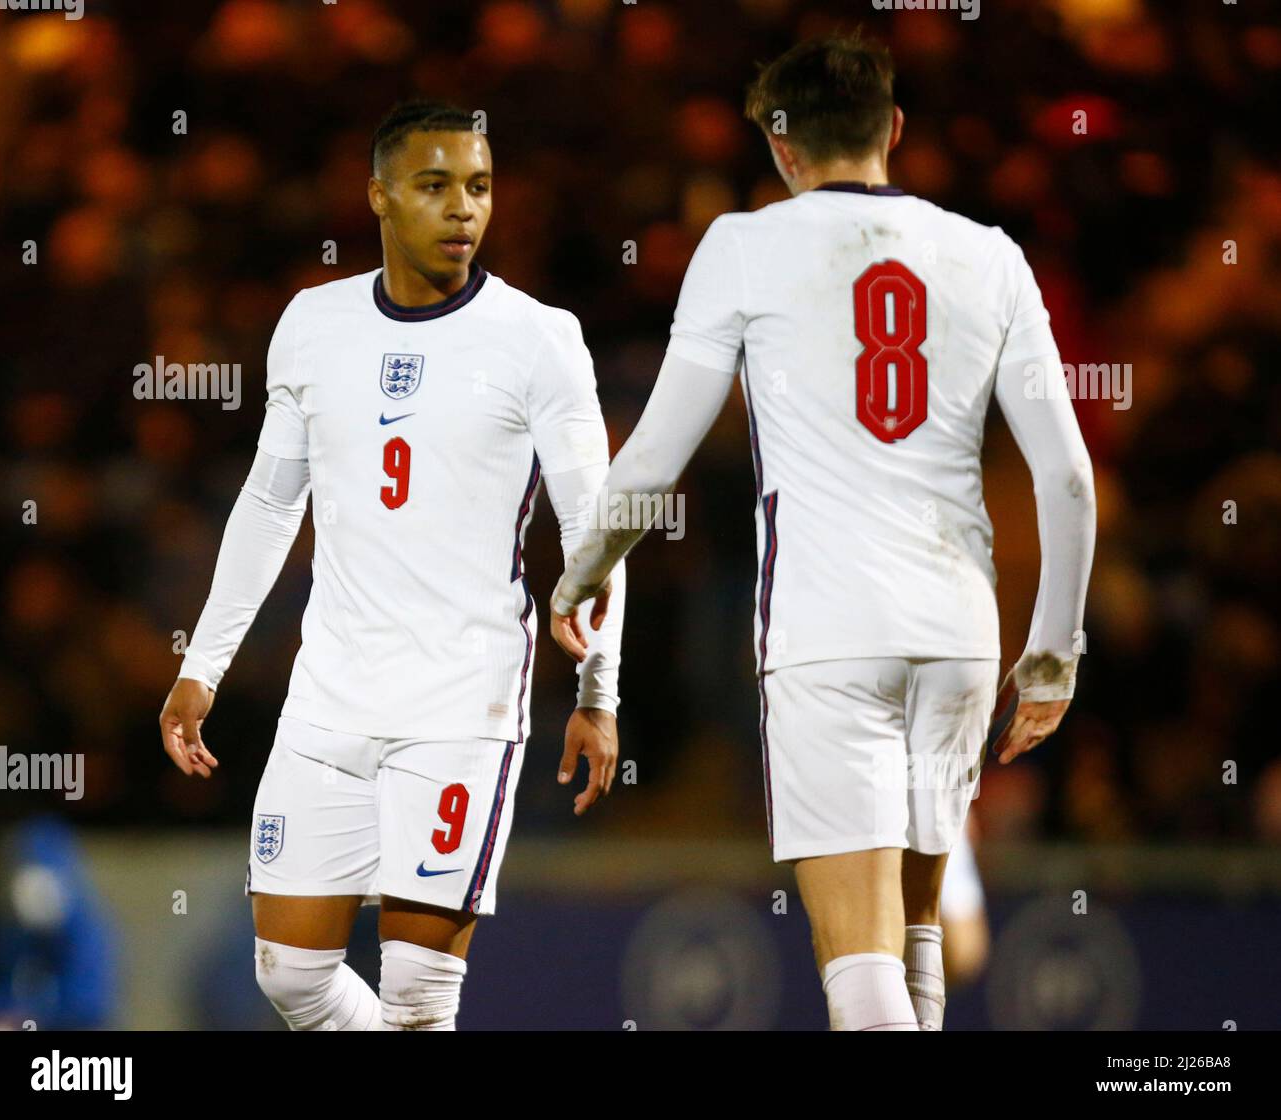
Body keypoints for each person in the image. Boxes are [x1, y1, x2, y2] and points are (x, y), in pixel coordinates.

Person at [550, 32, 1094, 1031]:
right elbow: (1065, 474)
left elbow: (656, 453)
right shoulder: (990, 255)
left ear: (779, 147)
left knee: (856, 954)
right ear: (893, 128)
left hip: (828, 630)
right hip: (961, 630)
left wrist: (581, 569)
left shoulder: (742, 245)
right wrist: (1051, 657)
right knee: (915, 935)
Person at [159, 99, 624, 1031]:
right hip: (330, 692)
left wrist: (599, 694)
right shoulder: (311, 323)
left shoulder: (538, 337)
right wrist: (200, 667)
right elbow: (268, 502)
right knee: (289, 976)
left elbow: (596, 531)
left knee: (419, 999)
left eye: (481, 187)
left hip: (463, 700)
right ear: (378, 196)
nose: (464, 209)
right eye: (437, 185)